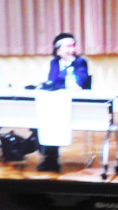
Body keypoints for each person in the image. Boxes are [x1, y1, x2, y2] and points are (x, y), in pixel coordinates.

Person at [37, 32, 89, 172]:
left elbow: (81, 80)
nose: (72, 48)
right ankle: (50, 158)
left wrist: (67, 71)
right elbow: (52, 81)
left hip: (74, 105)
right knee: (42, 120)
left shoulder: (80, 62)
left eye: (73, 45)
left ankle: (50, 158)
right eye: (68, 46)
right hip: (56, 103)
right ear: (58, 49)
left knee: (52, 119)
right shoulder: (54, 63)